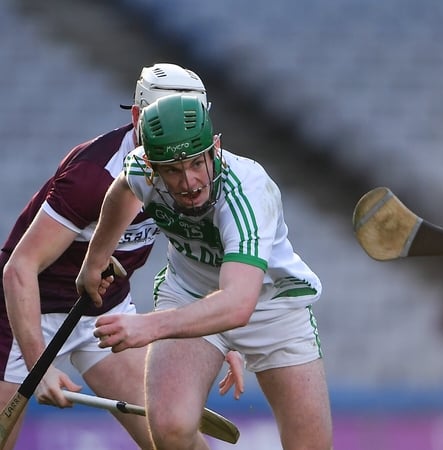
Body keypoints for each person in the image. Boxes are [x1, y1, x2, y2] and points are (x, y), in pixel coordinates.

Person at [0, 63, 243, 450]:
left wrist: (222, 336)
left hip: (104, 312)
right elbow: (19, 269)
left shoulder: (197, 173)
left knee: (175, 438)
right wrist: (36, 364)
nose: (183, 152)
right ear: (137, 118)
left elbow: (208, 260)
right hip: (23, 315)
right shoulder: (93, 177)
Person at [76, 93, 333, 450]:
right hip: (188, 293)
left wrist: (147, 327)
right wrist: (95, 259)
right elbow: (122, 189)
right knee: (170, 428)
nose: (190, 182)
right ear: (152, 166)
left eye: (198, 163)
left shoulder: (246, 193)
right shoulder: (140, 170)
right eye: (173, 171)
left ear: (215, 148)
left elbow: (238, 305)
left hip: (273, 307)